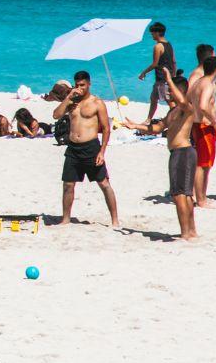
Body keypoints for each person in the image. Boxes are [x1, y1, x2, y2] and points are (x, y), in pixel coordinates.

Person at [122, 73, 197, 240]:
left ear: (180, 91)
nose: (168, 93)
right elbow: (157, 128)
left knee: (180, 194)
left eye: (171, 90)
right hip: (177, 153)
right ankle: (190, 232)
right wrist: (135, 125)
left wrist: (170, 79)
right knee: (183, 194)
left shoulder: (187, 108)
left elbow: (184, 101)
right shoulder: (173, 112)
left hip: (183, 152)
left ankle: (187, 232)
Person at [51, 70, 119, 226]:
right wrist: (68, 97)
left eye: (82, 85)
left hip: (91, 148)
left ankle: (115, 220)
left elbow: (106, 128)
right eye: (76, 85)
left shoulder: (97, 103)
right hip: (73, 148)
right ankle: (66, 219)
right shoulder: (72, 102)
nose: (79, 88)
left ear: (89, 84)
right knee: (68, 184)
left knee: (104, 184)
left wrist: (102, 152)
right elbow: (56, 115)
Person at [188, 55, 216, 208]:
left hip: (196, 124)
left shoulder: (197, 83)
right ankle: (201, 200)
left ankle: (201, 196)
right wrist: (213, 121)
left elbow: (188, 100)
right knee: (203, 164)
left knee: (202, 163)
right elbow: (202, 105)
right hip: (204, 126)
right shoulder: (207, 84)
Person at [137, 22, 177, 121]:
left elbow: (155, 64)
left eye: (152, 33)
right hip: (169, 76)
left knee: (170, 102)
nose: (151, 35)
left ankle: (176, 119)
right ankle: (148, 120)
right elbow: (174, 61)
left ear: (157, 33)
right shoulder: (169, 44)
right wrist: (173, 76)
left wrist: (143, 72)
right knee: (153, 98)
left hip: (162, 78)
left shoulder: (158, 46)